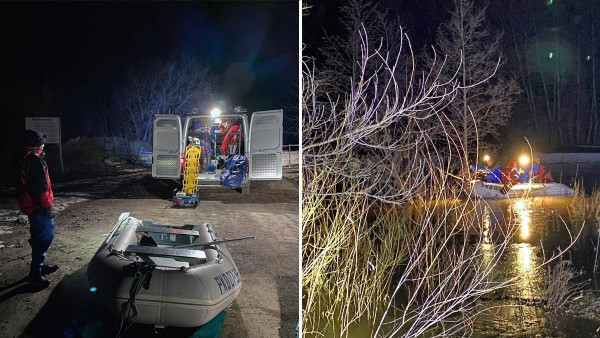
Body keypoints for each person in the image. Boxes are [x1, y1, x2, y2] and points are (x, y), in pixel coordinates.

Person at [17, 130, 58, 289]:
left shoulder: (26, 158)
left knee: (40, 238)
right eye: (42, 141)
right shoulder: (34, 161)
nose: (44, 144)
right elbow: (40, 188)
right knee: (43, 239)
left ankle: (40, 266)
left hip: (33, 208)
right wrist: (47, 207)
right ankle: (35, 275)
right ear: (36, 145)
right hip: (39, 209)